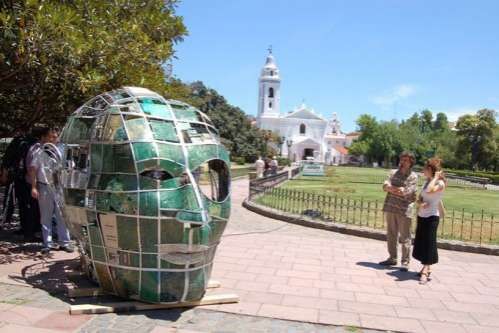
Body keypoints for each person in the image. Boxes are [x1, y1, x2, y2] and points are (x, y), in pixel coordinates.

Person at [28, 127, 73, 254]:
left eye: (55, 137)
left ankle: (64, 242)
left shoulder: (62, 151)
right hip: (44, 186)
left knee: (62, 215)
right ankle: (47, 243)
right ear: (46, 137)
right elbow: (32, 169)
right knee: (46, 216)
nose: (54, 139)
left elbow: (70, 168)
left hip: (59, 187)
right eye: (51, 137)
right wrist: (33, 187)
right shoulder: (40, 151)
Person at [379, 151, 418, 271]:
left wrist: (392, 189)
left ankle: (405, 262)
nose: (402, 162)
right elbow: (384, 186)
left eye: (406, 160)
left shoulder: (413, 176)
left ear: (411, 162)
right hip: (391, 207)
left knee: (405, 236)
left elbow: (406, 191)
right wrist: (393, 188)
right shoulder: (392, 173)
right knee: (391, 234)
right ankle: (392, 258)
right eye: (401, 159)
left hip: (405, 210)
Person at [413, 158, 446, 284]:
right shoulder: (426, 182)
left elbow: (429, 191)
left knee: (429, 243)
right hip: (422, 215)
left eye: (425, 168)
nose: (423, 170)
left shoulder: (440, 184)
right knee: (422, 242)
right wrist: (420, 203)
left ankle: (425, 271)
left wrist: (436, 177)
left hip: (432, 217)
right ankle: (426, 266)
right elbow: (419, 198)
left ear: (431, 170)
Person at [2, 131, 40, 240]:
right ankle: (29, 232)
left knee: (23, 205)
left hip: (18, 177)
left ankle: (25, 228)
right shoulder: (34, 143)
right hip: (28, 179)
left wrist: (5, 174)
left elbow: (7, 158)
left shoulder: (18, 141)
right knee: (30, 206)